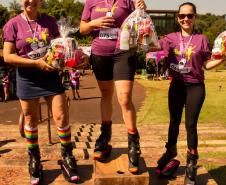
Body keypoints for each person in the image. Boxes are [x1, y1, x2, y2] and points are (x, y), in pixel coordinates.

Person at [3, 0, 79, 184]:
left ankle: (67, 156)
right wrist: (35, 63)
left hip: (50, 76)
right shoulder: (12, 24)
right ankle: (34, 159)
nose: (31, 1)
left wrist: (72, 55)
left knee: (61, 116)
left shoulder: (50, 21)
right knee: (31, 120)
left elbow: (60, 47)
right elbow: (7, 56)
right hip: (27, 78)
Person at [156, 2, 226, 184]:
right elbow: (152, 46)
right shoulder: (169, 38)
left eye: (189, 15)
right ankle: (170, 151)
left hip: (195, 87)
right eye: (182, 16)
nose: (185, 19)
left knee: (190, 125)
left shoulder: (202, 39)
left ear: (195, 17)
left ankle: (191, 163)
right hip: (177, 85)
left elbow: (206, 64)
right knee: (173, 122)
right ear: (178, 19)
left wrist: (223, 58)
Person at [80, 0, 146, 174]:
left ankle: (133, 144)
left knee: (124, 98)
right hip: (100, 54)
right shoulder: (91, 2)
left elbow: (140, 23)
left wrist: (141, 10)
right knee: (106, 94)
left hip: (123, 52)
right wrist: (95, 23)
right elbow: (82, 29)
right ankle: (105, 137)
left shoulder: (128, 1)